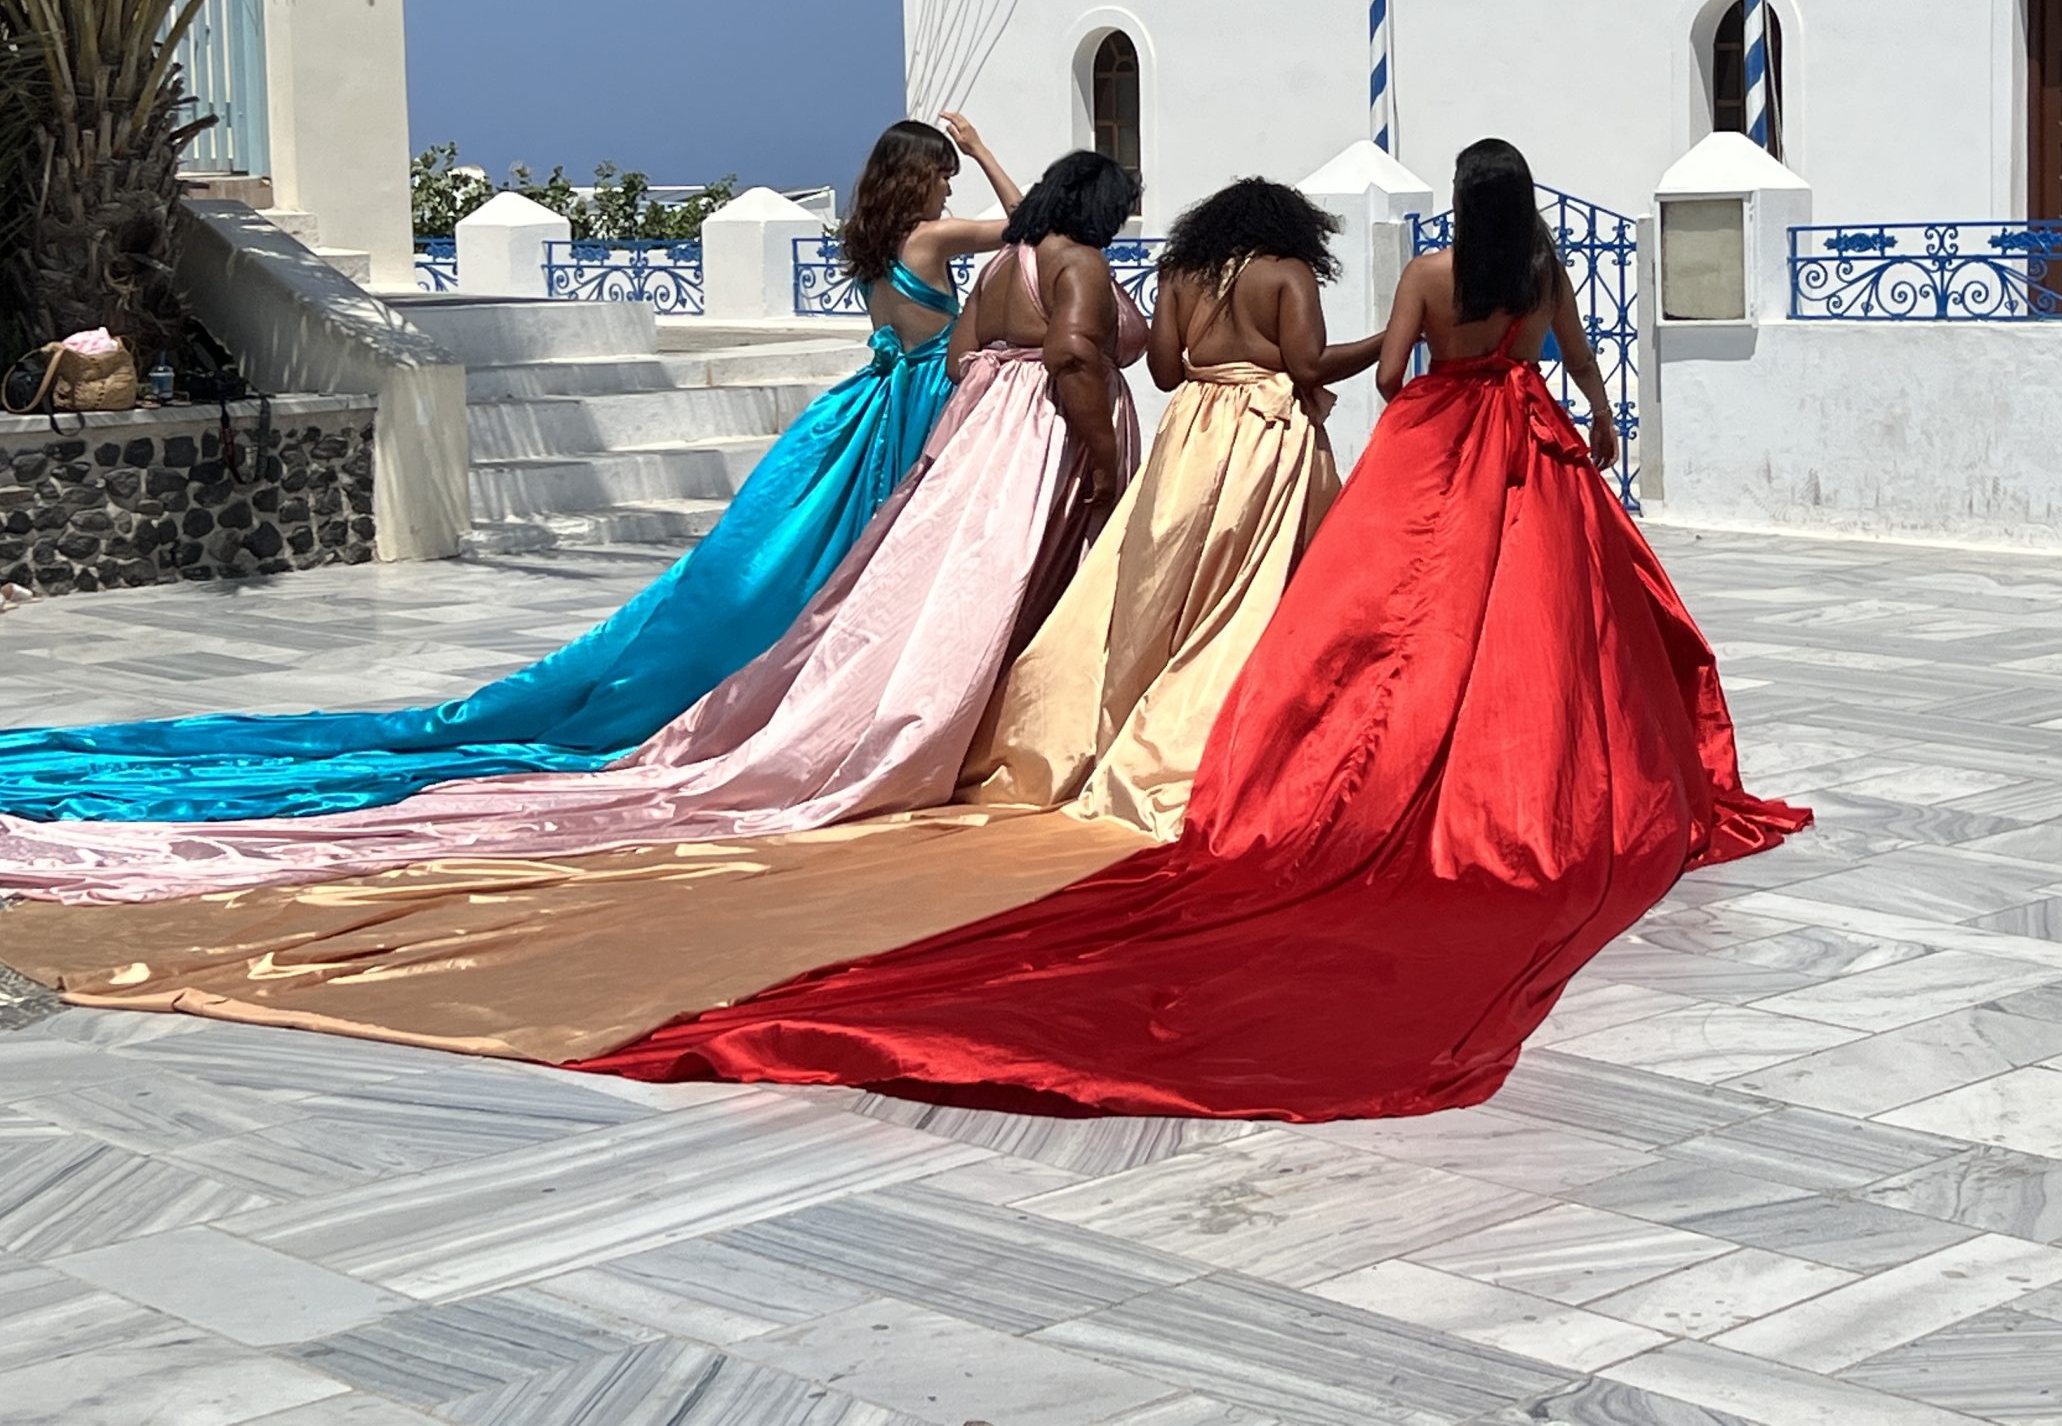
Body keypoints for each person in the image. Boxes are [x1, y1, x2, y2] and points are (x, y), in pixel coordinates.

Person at [583, 139, 1810, 1121]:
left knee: (1148, 603)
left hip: (1190, 445)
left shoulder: (1190, 278)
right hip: (1338, 442)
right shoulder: (1498, 277)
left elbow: (1181, 369)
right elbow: (1374, 369)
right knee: (1392, 615)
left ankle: (1085, 743)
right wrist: (1574, 410)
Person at [0, 152, 1147, 903]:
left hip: (872, 409)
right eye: (938, 169)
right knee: (856, 582)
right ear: (924, 183)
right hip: (914, 424)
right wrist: (1000, 159)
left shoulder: (884, 244)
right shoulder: (950, 244)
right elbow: (1036, 222)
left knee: (809, 579)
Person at [964, 176, 1382, 834]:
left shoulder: (1181, 273)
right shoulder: (1286, 272)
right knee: (1256, 588)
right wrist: (1390, 339)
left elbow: (1164, 369)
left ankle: (1121, 721)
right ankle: (1231, 732)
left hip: (1190, 431)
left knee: (1163, 584)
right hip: (1264, 435)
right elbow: (1308, 365)